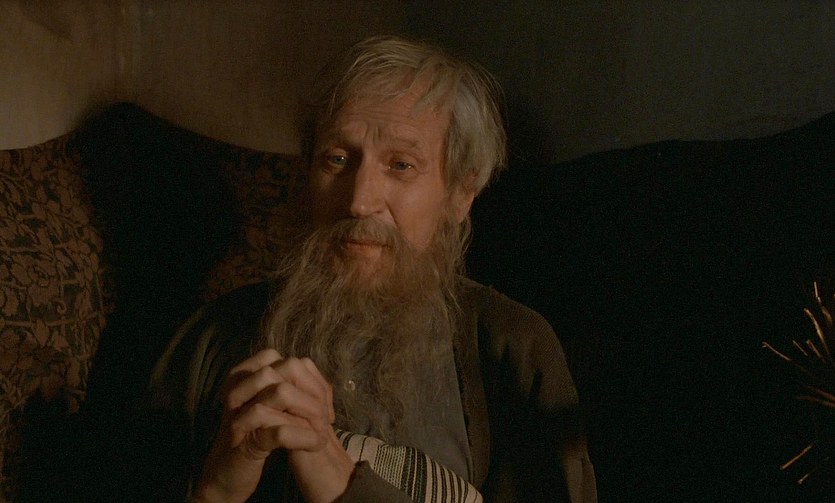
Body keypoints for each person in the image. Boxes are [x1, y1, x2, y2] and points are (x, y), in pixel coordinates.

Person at [143, 35, 596, 502]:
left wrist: (342, 481)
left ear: (461, 194)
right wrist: (216, 492)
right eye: (337, 159)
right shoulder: (207, 344)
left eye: (401, 165)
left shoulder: (514, 351)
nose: (359, 201)